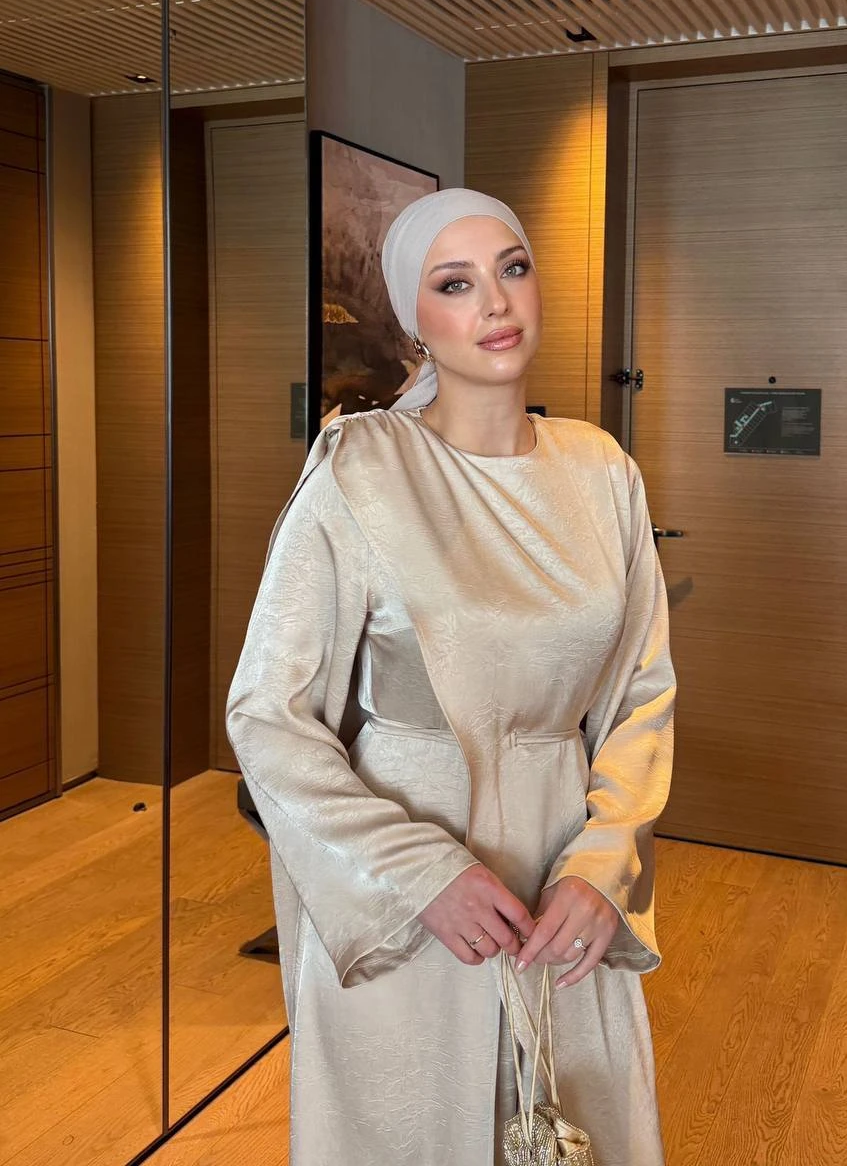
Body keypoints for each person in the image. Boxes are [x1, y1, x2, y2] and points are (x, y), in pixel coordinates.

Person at [226, 188, 676, 1165]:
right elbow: (267, 711)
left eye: (512, 269)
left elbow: (642, 697)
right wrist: (419, 873)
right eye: (455, 283)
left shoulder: (603, 471)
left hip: (563, 876)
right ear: (413, 320)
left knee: (575, 1123)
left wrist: (603, 865)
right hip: (407, 882)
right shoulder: (361, 471)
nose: (495, 302)